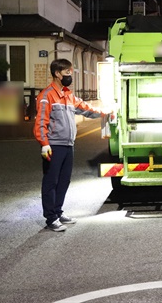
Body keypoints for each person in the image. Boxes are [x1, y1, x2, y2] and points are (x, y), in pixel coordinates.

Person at [33, 59, 112, 232]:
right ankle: (51, 218)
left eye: (71, 73)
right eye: (67, 73)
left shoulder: (68, 95)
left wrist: (105, 112)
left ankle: (58, 211)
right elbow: (40, 122)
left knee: (63, 181)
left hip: (68, 144)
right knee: (50, 182)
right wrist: (44, 144)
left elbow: (85, 108)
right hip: (54, 145)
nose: (70, 76)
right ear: (57, 74)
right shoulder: (47, 96)